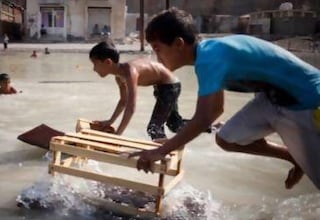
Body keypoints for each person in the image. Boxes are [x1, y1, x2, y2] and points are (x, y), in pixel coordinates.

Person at [129, 8, 320, 190]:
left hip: (306, 100)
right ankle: (293, 157)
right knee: (227, 138)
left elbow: (205, 116)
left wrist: (162, 150)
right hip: (272, 99)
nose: (157, 57)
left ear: (179, 44)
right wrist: (173, 143)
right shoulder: (208, 54)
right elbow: (216, 109)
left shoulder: (209, 58)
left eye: (157, 48)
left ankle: (303, 158)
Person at [89, 40, 209, 141]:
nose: (94, 69)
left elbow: (131, 107)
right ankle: (210, 127)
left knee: (154, 128)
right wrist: (110, 121)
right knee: (175, 125)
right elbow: (123, 101)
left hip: (169, 87)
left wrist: (118, 135)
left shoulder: (130, 73)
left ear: (108, 62)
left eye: (95, 64)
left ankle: (164, 155)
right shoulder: (119, 77)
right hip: (164, 86)